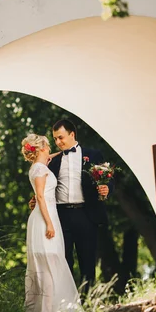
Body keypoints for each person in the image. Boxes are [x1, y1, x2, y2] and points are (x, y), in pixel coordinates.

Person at [47, 119, 113, 294]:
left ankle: (89, 302)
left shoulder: (93, 155)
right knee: (63, 260)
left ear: (72, 134)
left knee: (87, 261)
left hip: (86, 214)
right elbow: (46, 186)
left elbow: (108, 180)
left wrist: (106, 189)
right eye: (55, 139)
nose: (58, 142)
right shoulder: (52, 161)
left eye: (60, 137)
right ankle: (67, 303)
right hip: (61, 216)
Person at [21, 133, 79, 312]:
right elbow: (39, 197)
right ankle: (46, 310)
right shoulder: (39, 170)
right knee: (46, 261)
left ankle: (50, 307)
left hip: (48, 214)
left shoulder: (39, 166)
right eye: (48, 146)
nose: (51, 149)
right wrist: (49, 224)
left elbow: (47, 158)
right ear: (43, 148)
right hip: (43, 217)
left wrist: (63, 152)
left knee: (51, 259)